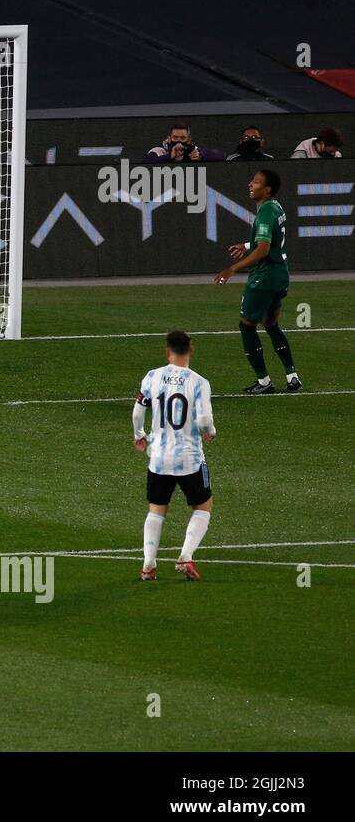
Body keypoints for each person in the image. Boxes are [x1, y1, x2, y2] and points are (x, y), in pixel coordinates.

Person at [132, 330, 215, 582]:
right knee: (203, 506)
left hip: (158, 457)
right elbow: (204, 421)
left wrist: (139, 435)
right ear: (191, 349)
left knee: (156, 510)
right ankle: (185, 556)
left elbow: (137, 412)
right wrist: (210, 432)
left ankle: (148, 563)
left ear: (167, 351)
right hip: (189, 458)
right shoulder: (199, 382)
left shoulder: (152, 376)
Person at [213, 169, 301, 394]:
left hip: (264, 278)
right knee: (271, 325)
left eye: (256, 182)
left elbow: (263, 250)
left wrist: (232, 268)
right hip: (281, 274)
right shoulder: (276, 207)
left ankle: (264, 382)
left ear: (267, 189)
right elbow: (270, 241)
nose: (250, 184)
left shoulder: (264, 213)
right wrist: (247, 244)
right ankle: (292, 376)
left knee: (247, 325)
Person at [143, 123, 224, 163]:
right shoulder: (159, 151)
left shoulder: (192, 149)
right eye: (175, 137)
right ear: (169, 138)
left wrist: (201, 156)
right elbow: (146, 163)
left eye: (182, 138)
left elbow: (220, 155)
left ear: (188, 139)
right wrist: (170, 156)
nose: (179, 141)